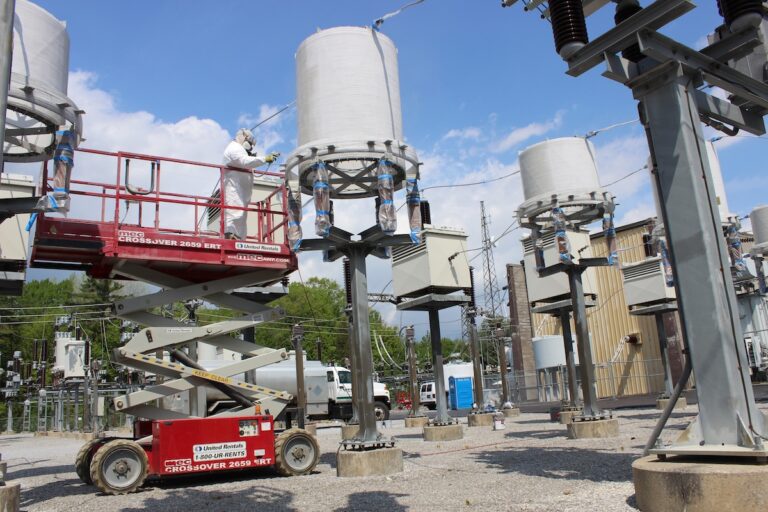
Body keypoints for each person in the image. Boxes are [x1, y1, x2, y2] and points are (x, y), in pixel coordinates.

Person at [221, 128, 278, 240]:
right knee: (234, 211)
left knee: (240, 213)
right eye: (250, 144)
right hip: (234, 188)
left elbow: (245, 161)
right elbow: (244, 161)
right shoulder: (234, 148)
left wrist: (254, 158)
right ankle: (230, 235)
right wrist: (264, 159)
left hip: (240, 191)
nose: (251, 147)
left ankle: (238, 238)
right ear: (244, 138)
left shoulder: (239, 149)